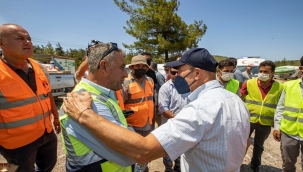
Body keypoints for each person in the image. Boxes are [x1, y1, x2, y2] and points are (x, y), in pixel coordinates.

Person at [62, 48, 250, 172]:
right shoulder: (235, 100)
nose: (176, 77)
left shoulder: (200, 109)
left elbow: (143, 151)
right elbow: (246, 142)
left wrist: (84, 114)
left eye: (181, 72)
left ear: (198, 74)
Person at [59, 42, 134, 171]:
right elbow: (130, 151)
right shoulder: (88, 102)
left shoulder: (100, 94)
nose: (125, 74)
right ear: (104, 66)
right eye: (122, 67)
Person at [0, 23, 60, 172]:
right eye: (20, 38)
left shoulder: (39, 67)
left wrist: (56, 117)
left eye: (29, 38)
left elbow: (47, 94)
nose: (27, 42)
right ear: (2, 44)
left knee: (48, 164)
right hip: (17, 144)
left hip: (46, 134)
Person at [240, 60, 283, 172]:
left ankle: (255, 165)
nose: (262, 74)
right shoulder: (249, 83)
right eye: (261, 71)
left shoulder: (279, 87)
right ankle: (236, 162)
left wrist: (278, 124)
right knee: (241, 142)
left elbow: (280, 105)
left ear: (272, 73)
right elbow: (240, 99)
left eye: (266, 72)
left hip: (265, 123)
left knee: (259, 146)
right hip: (248, 120)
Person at [121, 55, 154, 171]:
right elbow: (120, 107)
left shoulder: (150, 81)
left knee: (146, 154)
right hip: (133, 126)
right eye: (137, 66)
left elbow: (149, 100)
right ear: (132, 67)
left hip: (148, 124)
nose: (141, 68)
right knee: (133, 155)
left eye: (143, 66)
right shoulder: (125, 83)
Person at [273, 56, 303, 172]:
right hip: (289, 132)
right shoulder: (289, 85)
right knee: (288, 165)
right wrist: (277, 127)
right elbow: (280, 107)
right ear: (301, 68)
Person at [158, 66, 190, 172]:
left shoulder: (189, 86)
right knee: (168, 151)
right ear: (169, 72)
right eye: (173, 72)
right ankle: (168, 169)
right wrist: (178, 121)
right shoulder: (165, 88)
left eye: (178, 72)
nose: (176, 75)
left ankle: (178, 168)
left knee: (182, 151)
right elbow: (163, 109)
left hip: (186, 126)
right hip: (170, 126)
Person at [150, 61, 165, 127]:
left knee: (157, 116)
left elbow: (163, 87)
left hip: (158, 100)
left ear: (151, 67)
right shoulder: (153, 74)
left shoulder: (158, 75)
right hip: (155, 99)